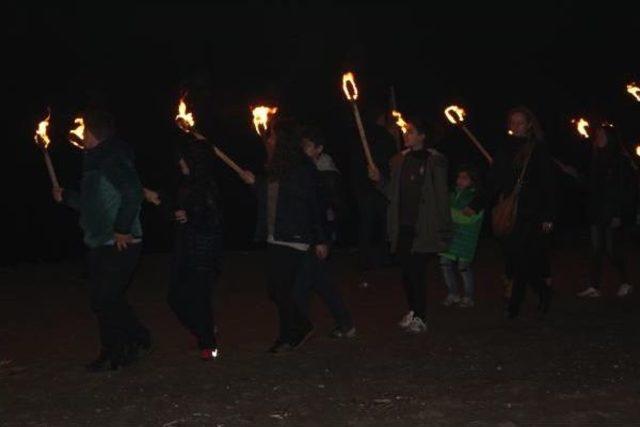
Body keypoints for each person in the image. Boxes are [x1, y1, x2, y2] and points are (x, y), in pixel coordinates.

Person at [53, 109, 150, 372]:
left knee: (105, 298)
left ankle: (122, 348)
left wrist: (122, 229)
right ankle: (127, 344)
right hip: (98, 240)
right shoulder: (94, 161)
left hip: (121, 241)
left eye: (84, 132)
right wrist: (67, 197)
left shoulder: (112, 158)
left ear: (94, 134)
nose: (81, 136)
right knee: (105, 298)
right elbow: (91, 204)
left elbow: (132, 193)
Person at [241, 119, 329, 353]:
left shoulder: (302, 168)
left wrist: (320, 239)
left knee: (280, 290)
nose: (268, 141)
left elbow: (314, 205)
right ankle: (288, 334)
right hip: (276, 235)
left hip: (294, 236)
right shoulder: (277, 167)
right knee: (279, 290)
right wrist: (254, 183)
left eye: (272, 138)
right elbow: (270, 198)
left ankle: (299, 328)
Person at [369, 115, 452, 334]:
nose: (406, 134)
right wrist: (379, 181)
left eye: (412, 132)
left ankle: (420, 316)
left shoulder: (435, 161)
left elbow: (441, 196)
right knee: (406, 272)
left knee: (416, 272)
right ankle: (413, 311)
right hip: (402, 224)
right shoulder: (398, 161)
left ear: (423, 136)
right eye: (406, 131)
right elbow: (391, 193)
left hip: (422, 225)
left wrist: (444, 227)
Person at [486, 106, 555, 319]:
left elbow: (549, 184)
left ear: (529, 125)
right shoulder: (504, 147)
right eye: (512, 122)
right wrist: (478, 203)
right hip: (509, 210)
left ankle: (515, 304)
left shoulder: (537, 149)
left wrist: (549, 215)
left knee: (521, 258)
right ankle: (543, 291)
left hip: (530, 211)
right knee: (516, 258)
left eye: (520, 122)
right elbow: (494, 179)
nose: (515, 126)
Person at [298, 128, 355, 338]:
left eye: (308, 145)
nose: (303, 149)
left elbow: (323, 206)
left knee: (316, 279)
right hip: (310, 231)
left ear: (319, 149)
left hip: (321, 230)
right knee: (309, 278)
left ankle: (344, 322)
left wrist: (322, 238)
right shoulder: (305, 168)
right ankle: (304, 323)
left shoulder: (325, 172)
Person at [577, 125, 637, 298]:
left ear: (610, 138)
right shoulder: (595, 158)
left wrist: (618, 213)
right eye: (598, 134)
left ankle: (626, 282)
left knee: (611, 250)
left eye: (602, 134)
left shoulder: (620, 160)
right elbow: (592, 186)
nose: (598, 137)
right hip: (597, 211)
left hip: (612, 211)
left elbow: (623, 189)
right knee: (596, 249)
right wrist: (575, 176)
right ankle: (594, 286)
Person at [350, 110, 397, 286]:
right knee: (381, 223)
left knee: (368, 223)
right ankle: (381, 257)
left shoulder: (368, 137)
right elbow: (392, 162)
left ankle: (369, 259)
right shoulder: (381, 137)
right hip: (376, 187)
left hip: (370, 186)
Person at [440, 166, 485, 308]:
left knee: (463, 267)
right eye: (459, 177)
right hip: (450, 236)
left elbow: (469, 218)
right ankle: (453, 293)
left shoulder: (476, 197)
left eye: (464, 178)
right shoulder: (451, 194)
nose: (460, 180)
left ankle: (469, 296)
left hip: (466, 237)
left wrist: (449, 213)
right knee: (445, 263)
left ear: (472, 180)